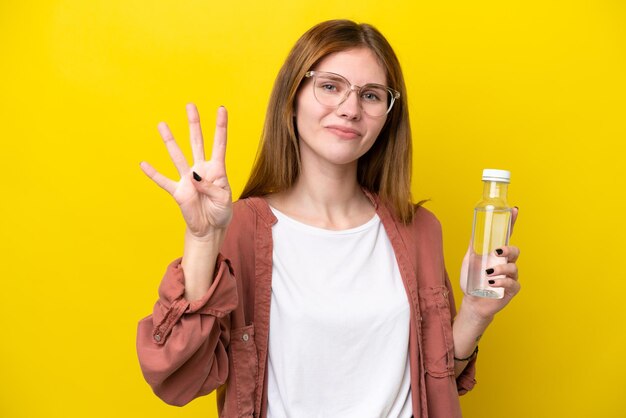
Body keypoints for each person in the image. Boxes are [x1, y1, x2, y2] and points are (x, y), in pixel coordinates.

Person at [136, 19, 521, 418]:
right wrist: (202, 240)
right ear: (294, 95)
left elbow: (435, 379)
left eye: (371, 95)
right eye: (330, 86)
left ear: (388, 115)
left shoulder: (419, 229)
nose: (350, 109)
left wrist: (476, 312)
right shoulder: (241, 229)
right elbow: (178, 377)